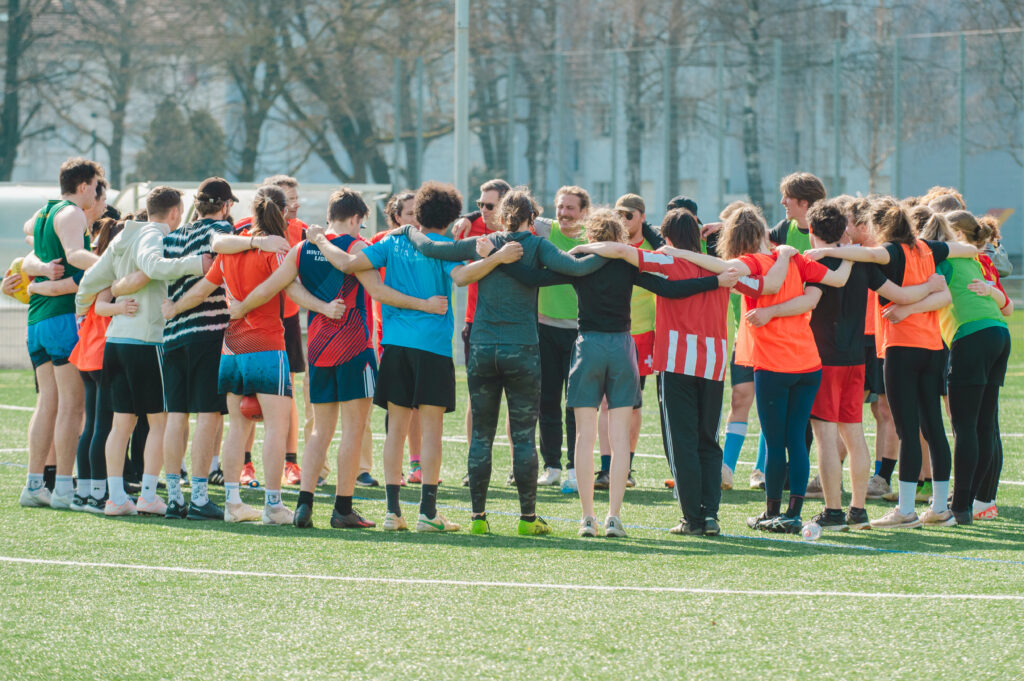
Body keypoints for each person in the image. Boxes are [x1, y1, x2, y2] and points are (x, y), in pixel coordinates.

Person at [229, 187, 447, 529]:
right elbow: (377, 291)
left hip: (318, 349)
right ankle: (343, 509)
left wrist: (242, 307)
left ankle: (304, 505)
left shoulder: (302, 248)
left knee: (320, 431)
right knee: (353, 431)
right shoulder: (356, 247)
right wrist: (425, 305)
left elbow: (278, 286)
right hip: (354, 349)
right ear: (356, 218)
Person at [398, 187, 608, 535]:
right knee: (523, 436)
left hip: (482, 348)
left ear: (501, 216)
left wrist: (407, 229)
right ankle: (527, 520)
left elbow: (432, 248)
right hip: (522, 349)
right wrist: (611, 249)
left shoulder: (485, 242)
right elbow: (577, 268)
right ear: (531, 217)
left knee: (481, 435)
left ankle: (478, 519)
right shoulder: (537, 246)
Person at [307, 181, 514, 533]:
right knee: (431, 431)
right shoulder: (445, 248)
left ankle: (392, 513)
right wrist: (496, 259)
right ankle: (427, 514)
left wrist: (319, 239)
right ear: (450, 217)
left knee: (396, 430)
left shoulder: (392, 241)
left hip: (395, 346)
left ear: (417, 213)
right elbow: (463, 277)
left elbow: (348, 263)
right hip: (433, 348)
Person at [569, 209, 769, 536]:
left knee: (681, 442)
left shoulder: (666, 259)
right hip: (714, 361)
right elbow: (758, 286)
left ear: (668, 237)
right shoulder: (722, 267)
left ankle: (691, 517)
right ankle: (710, 515)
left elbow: (620, 250)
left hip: (677, 360)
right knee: (708, 440)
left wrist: (582, 248)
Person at [664, 204, 852, 534]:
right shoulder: (795, 257)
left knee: (776, 442)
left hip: (774, 364)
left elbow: (723, 268)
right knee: (797, 440)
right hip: (808, 363)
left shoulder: (752, 262)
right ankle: (793, 513)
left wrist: (681, 254)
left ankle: (773, 512)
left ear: (735, 238)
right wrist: (848, 250)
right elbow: (839, 278)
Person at [804, 199, 977, 528]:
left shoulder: (878, 254)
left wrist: (827, 252)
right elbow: (921, 291)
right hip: (910, 351)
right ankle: (923, 508)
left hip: (878, 351)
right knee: (921, 429)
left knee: (890, 431)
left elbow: (874, 268)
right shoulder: (922, 249)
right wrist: (930, 287)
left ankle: (878, 510)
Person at [164, 186, 326, 525]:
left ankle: (233, 503)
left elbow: (201, 289)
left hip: (231, 348)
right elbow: (291, 288)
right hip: (266, 345)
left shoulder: (232, 250)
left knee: (236, 428)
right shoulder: (275, 248)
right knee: (276, 428)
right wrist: (324, 307)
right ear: (282, 215)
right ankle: (273, 506)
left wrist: (174, 308)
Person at [75, 187, 212, 516]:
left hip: (116, 342)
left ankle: (116, 499)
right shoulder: (153, 234)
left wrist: (81, 311)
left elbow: (90, 281)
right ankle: (148, 495)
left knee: (121, 423)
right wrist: (198, 263)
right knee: (158, 422)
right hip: (147, 341)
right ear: (176, 213)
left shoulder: (123, 236)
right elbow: (154, 265)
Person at [889, 211, 1011, 525]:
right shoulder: (972, 258)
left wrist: (905, 308)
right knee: (984, 426)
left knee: (965, 427)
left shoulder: (937, 259)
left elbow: (935, 295)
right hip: (999, 333)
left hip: (971, 336)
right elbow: (1005, 304)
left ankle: (959, 507)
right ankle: (968, 504)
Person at [18, 158, 103, 508]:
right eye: (96, 186)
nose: (97, 193)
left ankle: (34, 485)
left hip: (37, 320)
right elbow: (74, 254)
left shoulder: (43, 213)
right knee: (72, 405)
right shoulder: (71, 213)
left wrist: (38, 269)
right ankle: (64, 488)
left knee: (48, 403)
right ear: (82, 186)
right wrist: (110, 265)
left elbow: (29, 234)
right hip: (62, 319)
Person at [234, 174, 308, 486]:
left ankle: (291, 463)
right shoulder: (243, 228)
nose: (293, 205)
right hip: (250, 320)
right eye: (287, 200)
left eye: (295, 198)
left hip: (285, 320)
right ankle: (245, 465)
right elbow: (220, 245)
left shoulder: (302, 230)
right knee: (247, 396)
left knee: (286, 391)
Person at [532, 186, 591, 489]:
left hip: (580, 331)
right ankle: (551, 466)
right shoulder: (544, 229)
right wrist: (470, 217)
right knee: (547, 400)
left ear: (584, 212)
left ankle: (574, 468)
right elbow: (509, 211)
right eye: (560, 207)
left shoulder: (593, 237)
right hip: (544, 329)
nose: (564, 213)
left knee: (575, 404)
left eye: (570, 208)